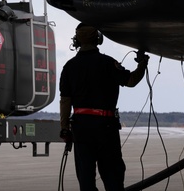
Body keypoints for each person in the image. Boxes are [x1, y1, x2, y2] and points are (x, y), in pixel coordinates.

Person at [59, 23, 148, 191]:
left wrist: (64, 129)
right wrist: (142, 64)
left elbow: (65, 102)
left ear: (76, 41)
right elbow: (131, 80)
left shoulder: (69, 67)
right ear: (98, 39)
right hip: (106, 129)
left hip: (81, 129)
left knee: (86, 180)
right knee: (113, 178)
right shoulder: (108, 63)